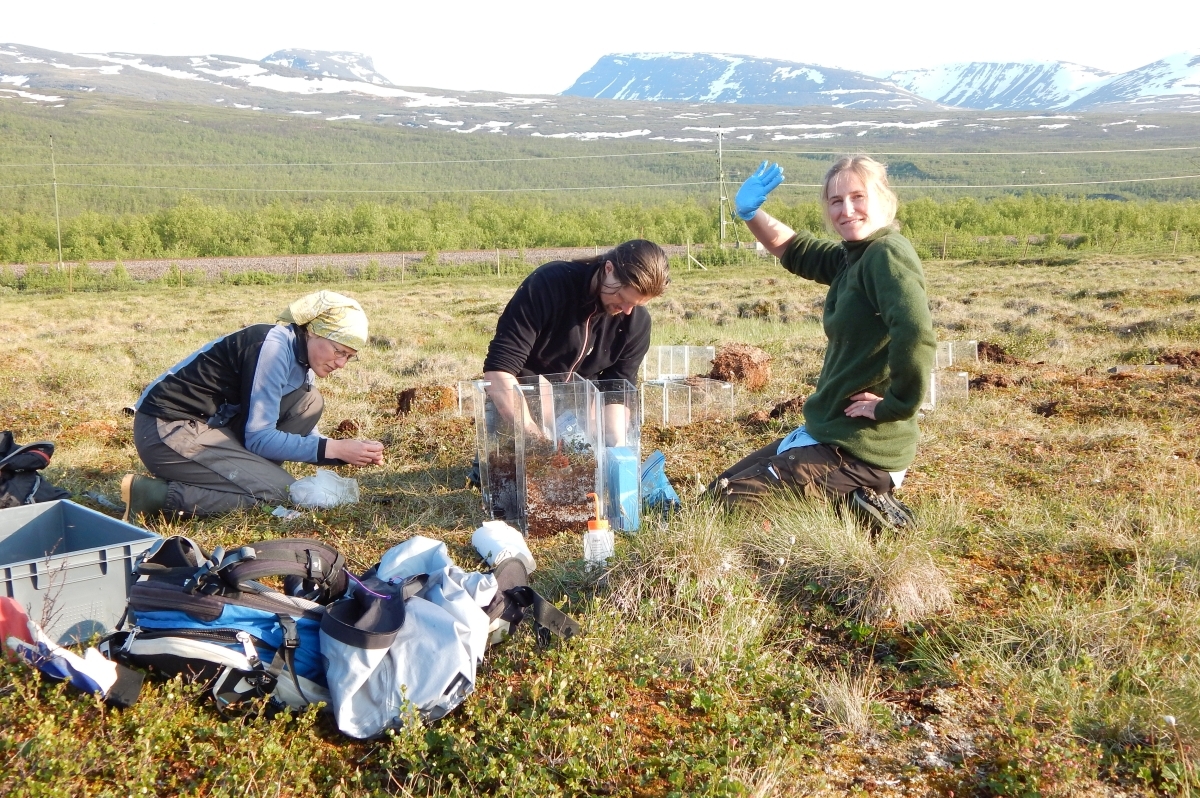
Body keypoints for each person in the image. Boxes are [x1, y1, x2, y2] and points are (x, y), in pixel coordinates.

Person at [708, 156, 935, 530]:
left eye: (858, 197)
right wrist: (750, 213)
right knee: (721, 491)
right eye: (835, 201)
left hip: (863, 450)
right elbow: (793, 247)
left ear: (883, 199)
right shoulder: (854, 256)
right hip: (830, 433)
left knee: (727, 506)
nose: (846, 210)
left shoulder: (886, 254)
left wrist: (894, 406)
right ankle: (844, 500)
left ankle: (857, 503)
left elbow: (916, 332)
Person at [122, 290, 384, 520]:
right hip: (168, 430)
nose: (341, 364)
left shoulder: (303, 359)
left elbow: (303, 432)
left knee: (309, 401)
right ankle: (155, 496)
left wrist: (345, 451)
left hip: (213, 427)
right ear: (313, 331)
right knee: (282, 493)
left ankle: (245, 475)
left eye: (349, 357)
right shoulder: (273, 347)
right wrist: (335, 448)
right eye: (338, 351)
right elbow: (260, 437)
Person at [481, 239, 670, 441]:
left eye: (636, 304)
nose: (626, 310)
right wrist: (537, 441)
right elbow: (499, 371)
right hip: (518, 405)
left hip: (578, 413)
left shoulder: (636, 323)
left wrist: (615, 446)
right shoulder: (549, 285)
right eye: (622, 297)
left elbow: (616, 389)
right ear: (608, 269)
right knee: (507, 468)